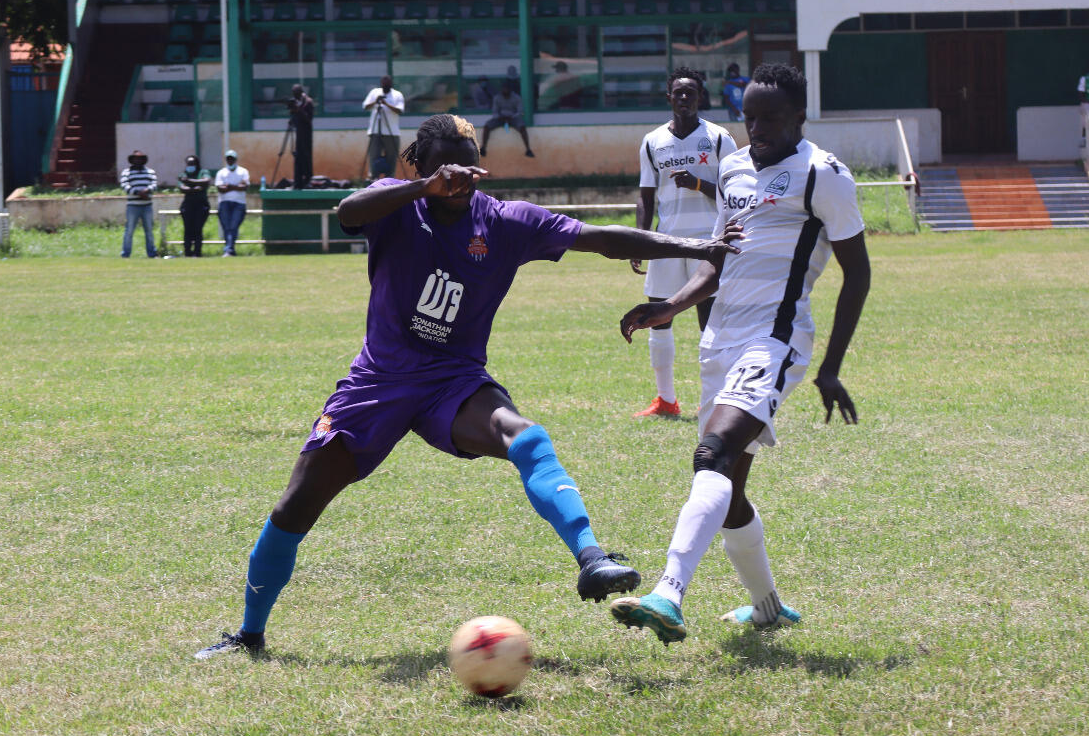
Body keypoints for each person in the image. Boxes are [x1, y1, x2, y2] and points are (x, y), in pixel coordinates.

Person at [194, 113, 743, 659]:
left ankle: (592, 557)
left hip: (453, 384)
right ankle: (249, 634)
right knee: (296, 505)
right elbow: (347, 212)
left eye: (468, 164)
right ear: (423, 167)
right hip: (377, 382)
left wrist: (700, 247)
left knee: (526, 438)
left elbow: (599, 237)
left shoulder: (505, 221)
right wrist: (419, 188)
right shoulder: (396, 200)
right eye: (444, 167)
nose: (458, 175)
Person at [610, 63, 871, 643]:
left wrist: (829, 367)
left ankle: (667, 592)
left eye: (771, 119)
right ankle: (769, 608)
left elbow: (858, 274)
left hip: (775, 340)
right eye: (750, 118)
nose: (758, 129)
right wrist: (669, 307)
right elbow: (717, 259)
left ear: (800, 116)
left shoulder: (822, 175)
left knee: (713, 454)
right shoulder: (732, 168)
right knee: (729, 492)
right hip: (718, 341)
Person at [630, 66, 738, 418]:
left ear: (701, 97)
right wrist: (640, 239)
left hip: (710, 242)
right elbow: (646, 195)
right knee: (657, 318)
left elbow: (735, 192)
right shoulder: (652, 141)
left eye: (691, 92)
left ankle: (718, 400)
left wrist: (697, 184)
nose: (684, 98)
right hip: (664, 243)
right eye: (678, 92)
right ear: (669, 97)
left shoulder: (720, 138)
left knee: (710, 323)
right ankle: (666, 401)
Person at [363, 75, 405, 180]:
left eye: (387, 83)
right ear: (381, 83)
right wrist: (375, 101)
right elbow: (366, 106)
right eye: (384, 83)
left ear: (391, 84)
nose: (385, 85)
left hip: (392, 131)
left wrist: (386, 104)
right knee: (373, 156)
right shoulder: (375, 92)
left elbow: (400, 110)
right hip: (375, 130)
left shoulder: (397, 94)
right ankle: (373, 178)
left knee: (391, 157)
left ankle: (389, 179)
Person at [119, 149, 159, 258]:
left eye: (140, 158)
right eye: (136, 158)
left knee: (149, 231)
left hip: (147, 205)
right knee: (129, 230)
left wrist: (147, 191)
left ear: (143, 160)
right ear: (132, 160)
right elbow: (124, 186)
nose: (138, 160)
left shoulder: (150, 172)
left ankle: (151, 253)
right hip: (133, 206)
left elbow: (154, 184)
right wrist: (138, 193)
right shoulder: (126, 172)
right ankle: (125, 254)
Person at [480, 81, 534, 158]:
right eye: (503, 89)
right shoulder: (497, 98)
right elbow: (495, 112)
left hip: (513, 118)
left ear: (510, 90)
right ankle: (483, 148)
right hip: (499, 118)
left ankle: (528, 150)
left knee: (522, 127)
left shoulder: (516, 98)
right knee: (487, 126)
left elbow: (520, 112)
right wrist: (500, 117)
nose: (505, 90)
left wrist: (511, 117)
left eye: (507, 89)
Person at [215, 149, 250, 256]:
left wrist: (229, 186)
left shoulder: (243, 171)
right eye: (228, 158)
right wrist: (236, 186)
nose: (230, 160)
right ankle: (230, 250)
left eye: (232, 158)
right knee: (227, 227)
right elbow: (220, 188)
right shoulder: (221, 172)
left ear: (236, 159)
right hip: (224, 203)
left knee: (233, 226)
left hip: (239, 203)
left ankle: (229, 249)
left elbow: (244, 187)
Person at [177, 153, 212, 257]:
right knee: (188, 229)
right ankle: (187, 252)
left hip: (201, 205)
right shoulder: (183, 174)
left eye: (192, 163)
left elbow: (206, 181)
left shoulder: (203, 172)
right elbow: (183, 188)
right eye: (188, 163)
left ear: (196, 163)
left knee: (198, 229)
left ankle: (197, 252)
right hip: (188, 205)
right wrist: (197, 186)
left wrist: (189, 182)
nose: (190, 165)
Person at [288, 84, 315, 188]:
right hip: (299, 134)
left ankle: (307, 180)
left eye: (296, 94)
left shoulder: (308, 102)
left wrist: (299, 110)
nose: (295, 97)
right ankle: (297, 181)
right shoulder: (298, 102)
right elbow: (296, 117)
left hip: (306, 135)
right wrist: (292, 118)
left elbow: (308, 119)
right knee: (298, 157)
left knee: (306, 157)